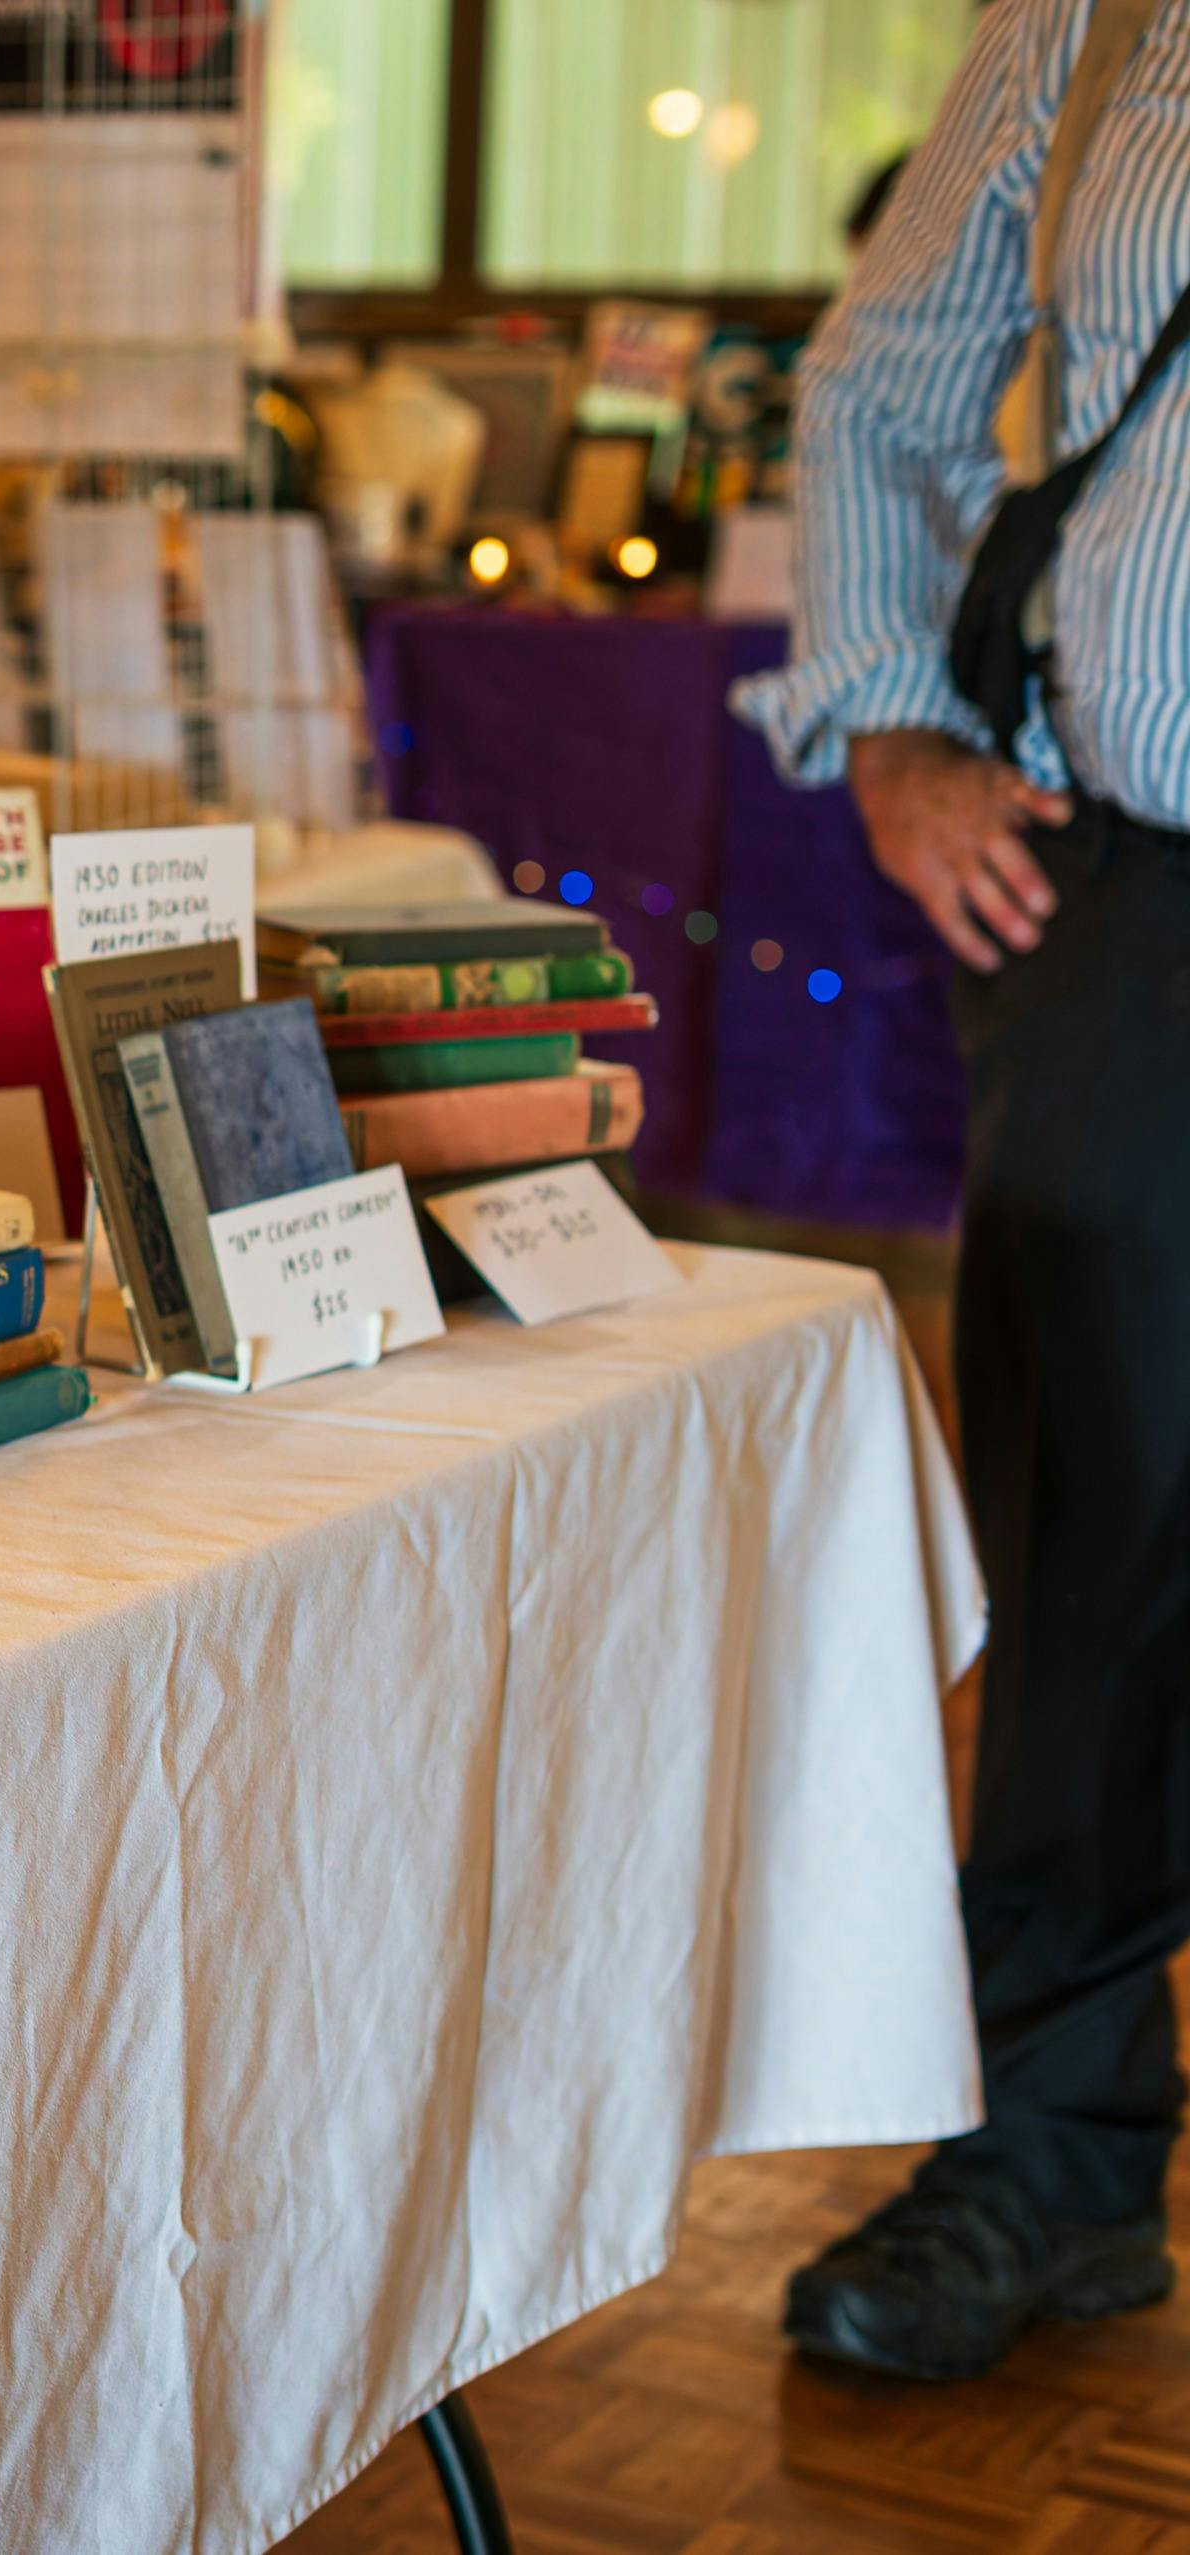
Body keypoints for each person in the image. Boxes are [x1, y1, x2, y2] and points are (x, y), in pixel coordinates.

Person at [734, 0, 1190, 2383]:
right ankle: (1053, 2152)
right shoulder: (1095, 16)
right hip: (1141, 895)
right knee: (1091, 1557)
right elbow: (879, 383)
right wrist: (895, 727)